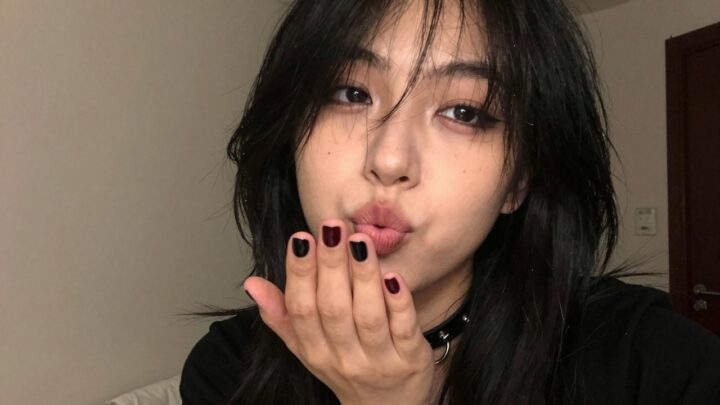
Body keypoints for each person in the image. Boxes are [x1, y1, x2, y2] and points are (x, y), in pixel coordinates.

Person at [179, 0, 720, 404]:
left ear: (518, 182)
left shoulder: (654, 365)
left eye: (464, 112)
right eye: (351, 93)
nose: (389, 159)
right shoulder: (227, 370)